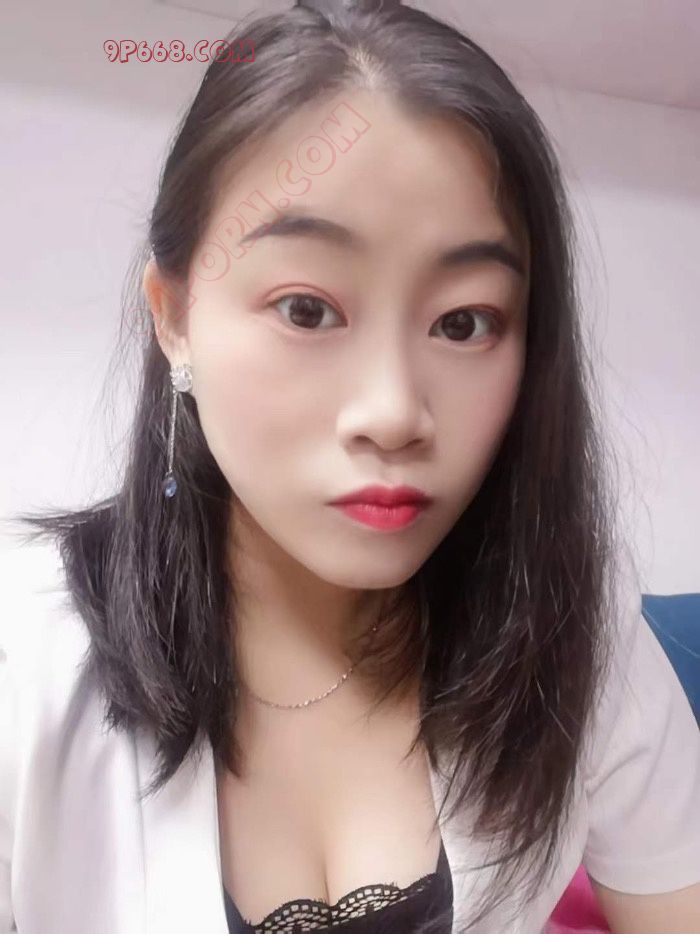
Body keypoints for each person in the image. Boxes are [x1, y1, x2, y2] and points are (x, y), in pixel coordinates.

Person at [2, 0, 700, 931]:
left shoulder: (573, 626)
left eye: (464, 322)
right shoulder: (22, 659)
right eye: (307, 309)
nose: (393, 413)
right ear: (173, 317)